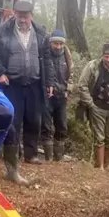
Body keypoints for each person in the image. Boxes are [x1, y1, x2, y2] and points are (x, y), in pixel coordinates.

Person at [0, 0, 53, 166]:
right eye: (20, 16)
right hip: (12, 83)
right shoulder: (5, 30)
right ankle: (12, 152)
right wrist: (0, 72)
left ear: (31, 16)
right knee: (13, 119)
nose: (23, 20)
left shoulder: (41, 33)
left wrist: (50, 82)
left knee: (33, 120)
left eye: (26, 16)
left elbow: (47, 59)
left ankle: (31, 155)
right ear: (14, 14)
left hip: (34, 83)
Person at [42, 30, 72, 161]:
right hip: (47, 96)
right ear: (50, 43)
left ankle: (58, 157)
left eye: (61, 43)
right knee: (46, 126)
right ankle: (48, 157)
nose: (58, 46)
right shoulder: (44, 55)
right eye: (56, 43)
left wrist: (68, 90)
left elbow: (71, 75)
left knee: (62, 126)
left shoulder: (67, 55)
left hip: (62, 96)